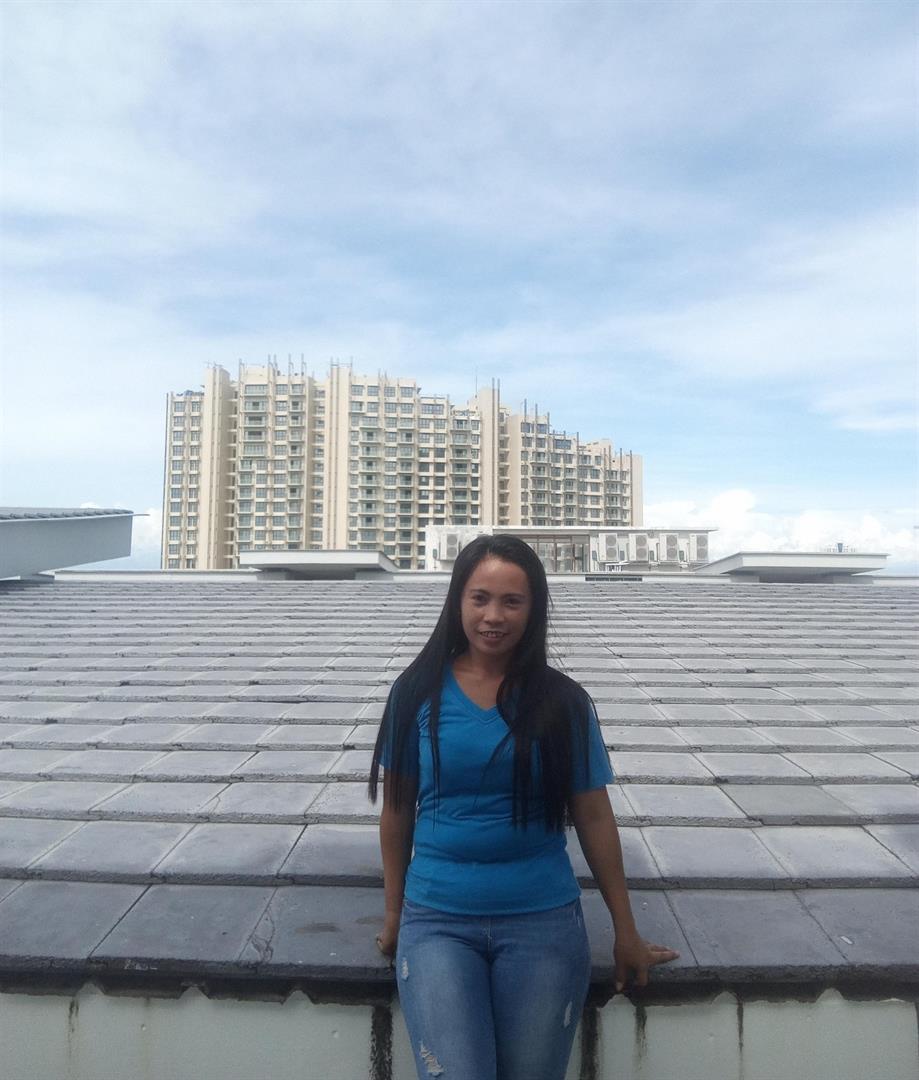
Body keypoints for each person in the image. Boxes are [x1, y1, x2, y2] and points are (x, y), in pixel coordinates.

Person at [369, 535, 678, 1080]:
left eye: (512, 601)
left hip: (543, 924)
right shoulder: (415, 692)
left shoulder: (564, 702)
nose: (494, 616)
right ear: (457, 602)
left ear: (533, 610)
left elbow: (594, 816)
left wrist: (625, 930)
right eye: (480, 598)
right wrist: (394, 915)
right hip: (437, 921)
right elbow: (397, 813)